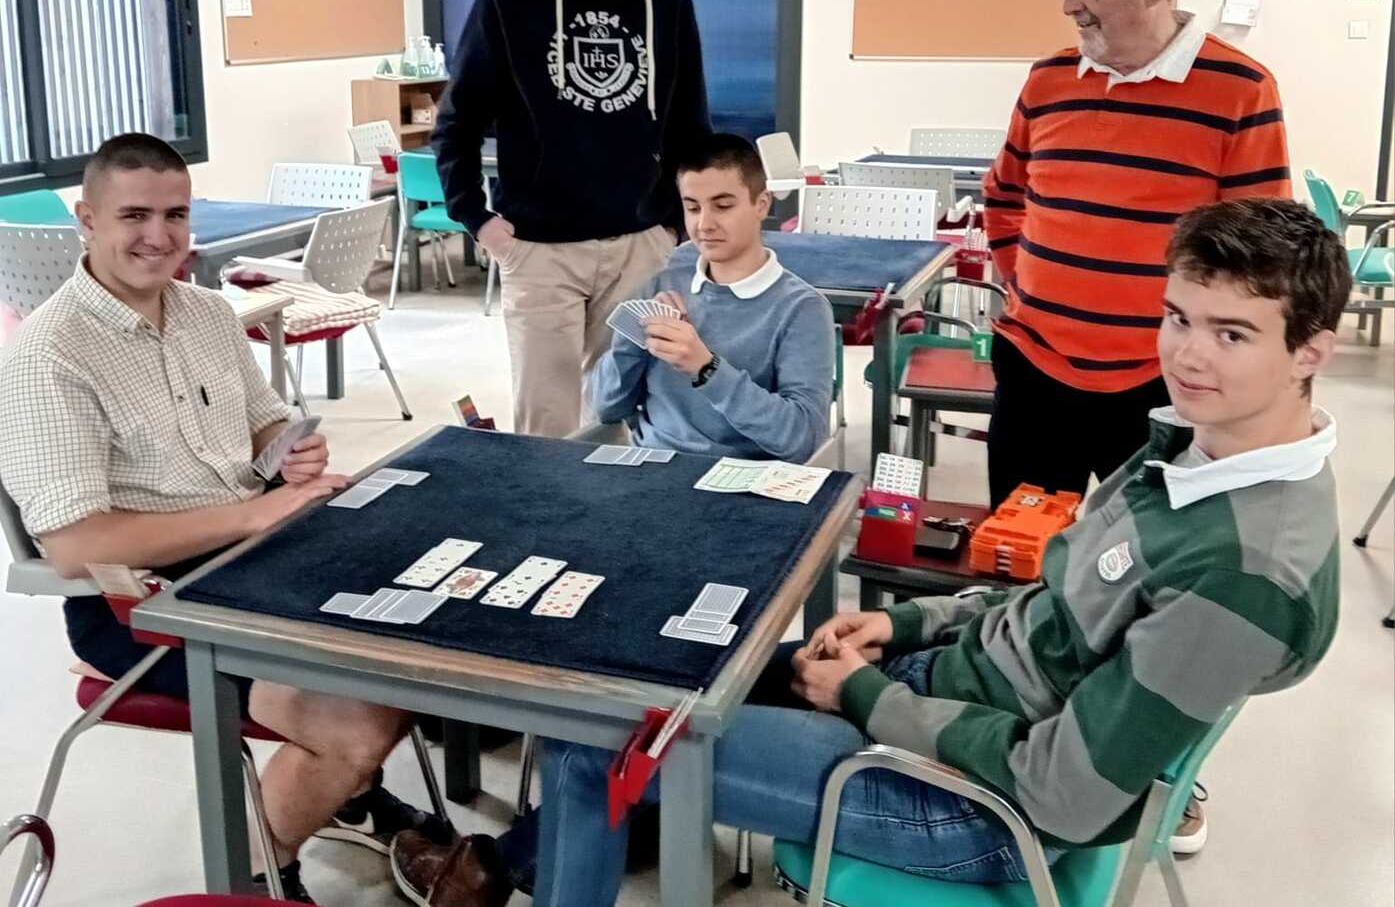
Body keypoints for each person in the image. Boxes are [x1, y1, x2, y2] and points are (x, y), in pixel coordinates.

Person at [389, 196, 1349, 906]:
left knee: (602, 740)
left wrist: (866, 697)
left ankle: (513, 863)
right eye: (1178, 317)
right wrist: (902, 624)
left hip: (974, 806)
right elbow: (1048, 602)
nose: (1186, 354)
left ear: (1311, 350)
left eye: (1231, 334)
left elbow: (1059, 793)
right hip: (958, 697)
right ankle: (544, 851)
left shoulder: (1242, 571)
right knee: (646, 683)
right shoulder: (1192, 445)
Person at [0, 134, 446, 905]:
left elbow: (266, 421)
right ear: (87, 220)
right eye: (134, 215)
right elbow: (77, 545)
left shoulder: (208, 312)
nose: (158, 236)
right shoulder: (48, 355)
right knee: (357, 721)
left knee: (435, 634)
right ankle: (259, 875)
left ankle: (343, 794)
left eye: (174, 215)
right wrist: (253, 513)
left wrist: (289, 450)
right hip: (142, 603)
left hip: (260, 555)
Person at [983, 0, 1292, 512]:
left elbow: (1257, 253)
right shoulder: (1048, 80)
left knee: (1150, 561)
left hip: (1164, 386)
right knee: (1022, 553)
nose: (1069, 3)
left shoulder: (1241, 89)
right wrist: (1032, 286)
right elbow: (1005, 194)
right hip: (1034, 369)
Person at [433, 0, 712, 439]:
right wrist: (478, 219)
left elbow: (690, 122)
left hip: (640, 246)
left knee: (629, 417)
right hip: (539, 250)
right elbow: (458, 120)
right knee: (547, 429)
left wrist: (676, 227)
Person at [588, 132, 835, 463]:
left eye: (723, 206)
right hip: (650, 466)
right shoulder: (663, 280)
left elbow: (801, 439)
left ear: (762, 204)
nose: (704, 224)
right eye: (692, 207)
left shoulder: (802, 309)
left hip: (743, 477)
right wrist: (637, 338)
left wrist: (705, 367)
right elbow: (606, 407)